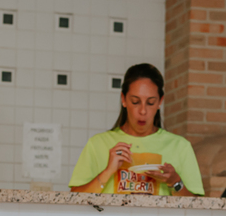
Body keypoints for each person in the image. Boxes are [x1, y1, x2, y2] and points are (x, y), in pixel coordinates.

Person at [69, 63, 204, 197]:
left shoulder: (180, 146)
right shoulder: (97, 144)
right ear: (124, 100)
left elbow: (198, 209)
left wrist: (175, 182)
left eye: (150, 102)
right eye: (135, 101)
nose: (143, 111)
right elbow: (73, 199)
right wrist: (108, 171)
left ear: (160, 102)